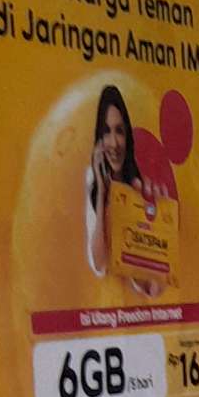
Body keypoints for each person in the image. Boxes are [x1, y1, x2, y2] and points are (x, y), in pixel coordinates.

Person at [83, 83, 141, 278]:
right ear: (99, 140)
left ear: (127, 136)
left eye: (119, 131)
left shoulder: (137, 185)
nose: (114, 143)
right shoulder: (92, 180)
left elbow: (147, 278)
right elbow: (99, 262)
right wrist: (101, 190)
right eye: (107, 132)